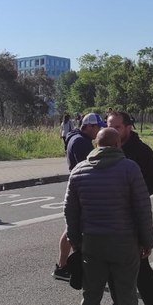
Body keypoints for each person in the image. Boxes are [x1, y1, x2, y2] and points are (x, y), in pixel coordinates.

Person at [64, 127, 153, 305]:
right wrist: (147, 241)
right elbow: (142, 208)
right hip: (124, 243)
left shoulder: (79, 170)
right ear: (118, 145)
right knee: (127, 299)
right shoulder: (129, 169)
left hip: (92, 244)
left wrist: (75, 242)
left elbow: (70, 211)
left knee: (90, 297)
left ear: (96, 144)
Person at [100, 111, 153, 305]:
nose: (112, 130)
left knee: (142, 272)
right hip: (109, 223)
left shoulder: (142, 152)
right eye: (109, 126)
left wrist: (131, 193)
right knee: (111, 271)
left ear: (128, 127)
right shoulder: (104, 149)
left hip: (132, 220)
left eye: (117, 127)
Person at [54, 113, 106, 280]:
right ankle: (65, 266)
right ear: (89, 126)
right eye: (98, 127)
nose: (99, 131)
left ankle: (63, 266)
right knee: (73, 230)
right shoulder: (80, 142)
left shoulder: (77, 138)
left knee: (72, 228)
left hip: (79, 187)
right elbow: (89, 167)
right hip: (82, 189)